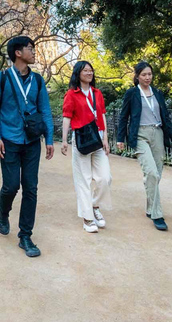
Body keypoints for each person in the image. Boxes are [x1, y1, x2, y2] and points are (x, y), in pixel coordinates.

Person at [0, 36, 55, 257]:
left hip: (32, 141)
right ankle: (3, 212)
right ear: (18, 53)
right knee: (10, 186)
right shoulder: (1, 78)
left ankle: (25, 236)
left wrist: (50, 139)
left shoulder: (37, 80)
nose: (34, 52)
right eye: (30, 48)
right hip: (8, 140)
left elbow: (45, 110)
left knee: (31, 188)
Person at [116, 62, 172, 231]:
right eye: (144, 74)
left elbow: (165, 116)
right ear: (137, 76)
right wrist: (120, 138)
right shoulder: (132, 93)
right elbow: (124, 117)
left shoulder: (157, 93)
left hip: (157, 133)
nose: (147, 77)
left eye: (150, 74)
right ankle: (157, 214)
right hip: (140, 135)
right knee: (151, 172)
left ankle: (150, 207)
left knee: (156, 174)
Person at [60, 61, 113, 233]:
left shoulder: (97, 93)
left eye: (91, 70)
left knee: (105, 178)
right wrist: (64, 140)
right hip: (81, 138)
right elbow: (67, 117)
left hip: (97, 137)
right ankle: (87, 217)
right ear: (78, 73)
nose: (89, 73)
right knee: (83, 179)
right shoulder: (71, 94)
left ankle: (94, 205)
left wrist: (105, 137)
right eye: (85, 71)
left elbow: (102, 115)